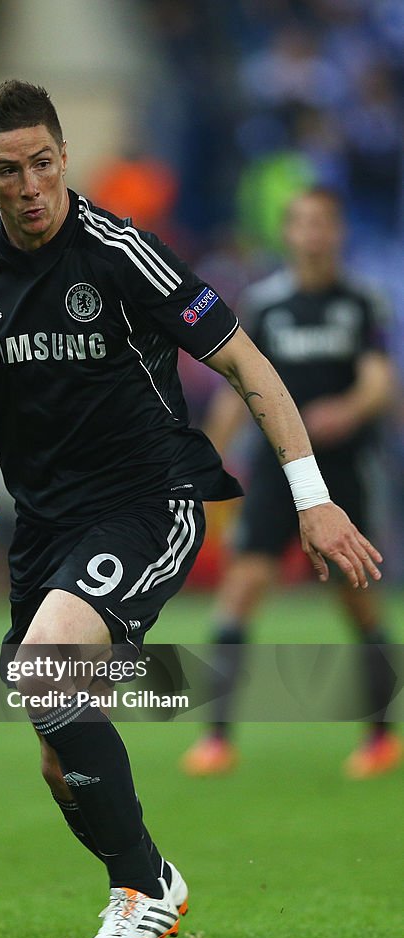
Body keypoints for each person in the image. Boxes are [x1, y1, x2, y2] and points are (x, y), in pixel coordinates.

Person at [0, 81, 382, 938]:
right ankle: (152, 864)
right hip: (49, 526)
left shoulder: (120, 252)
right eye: (8, 171)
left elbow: (243, 359)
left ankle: (143, 888)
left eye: (42, 164)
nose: (29, 186)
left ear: (63, 159)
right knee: (60, 753)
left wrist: (312, 494)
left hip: (150, 500)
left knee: (43, 672)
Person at [181, 187, 400, 780]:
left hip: (345, 474)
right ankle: (217, 739)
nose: (313, 234)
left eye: (323, 223)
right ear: (288, 234)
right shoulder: (266, 305)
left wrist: (350, 410)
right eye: (302, 223)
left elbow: (381, 381)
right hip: (280, 478)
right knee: (241, 590)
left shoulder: (361, 302)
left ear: (338, 232)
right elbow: (236, 383)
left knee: (357, 601)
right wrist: (211, 459)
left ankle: (381, 737)